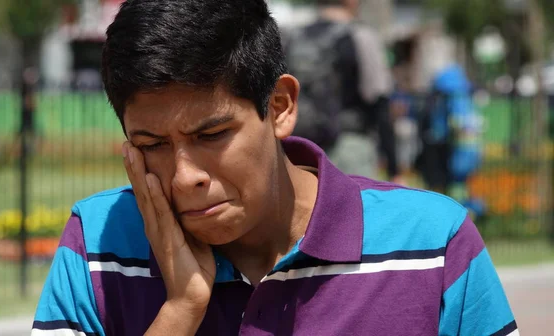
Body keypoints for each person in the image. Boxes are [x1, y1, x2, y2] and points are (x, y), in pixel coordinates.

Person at [32, 1, 517, 335]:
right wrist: (180, 311)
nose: (184, 178)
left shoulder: (432, 247)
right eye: (152, 144)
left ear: (280, 106)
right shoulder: (96, 247)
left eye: (211, 135)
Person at [286, 0, 400, 181]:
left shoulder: (295, 36)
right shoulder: (361, 36)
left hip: (303, 148)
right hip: (350, 147)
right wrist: (394, 168)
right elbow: (380, 101)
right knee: (355, 208)